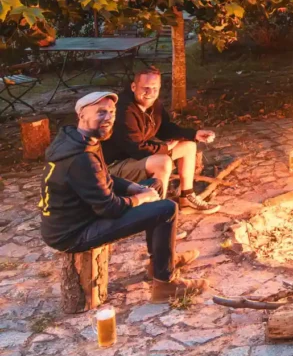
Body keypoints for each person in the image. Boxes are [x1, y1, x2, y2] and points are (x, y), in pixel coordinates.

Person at [40, 91, 208, 302]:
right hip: (73, 233)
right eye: (101, 112)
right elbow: (110, 208)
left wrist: (134, 188)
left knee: (154, 185)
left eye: (111, 112)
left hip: (81, 215)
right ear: (82, 114)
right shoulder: (81, 157)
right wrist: (140, 199)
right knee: (166, 209)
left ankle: (159, 263)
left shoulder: (76, 138)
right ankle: (165, 285)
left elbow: (103, 176)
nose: (109, 117)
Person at [104, 68, 220, 213]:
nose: (150, 93)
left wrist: (194, 134)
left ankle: (186, 196)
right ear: (133, 87)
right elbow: (137, 149)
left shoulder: (153, 104)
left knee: (189, 146)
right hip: (113, 167)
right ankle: (160, 214)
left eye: (154, 88)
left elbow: (164, 128)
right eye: (145, 88)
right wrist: (165, 149)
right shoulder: (124, 110)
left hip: (135, 158)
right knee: (162, 162)